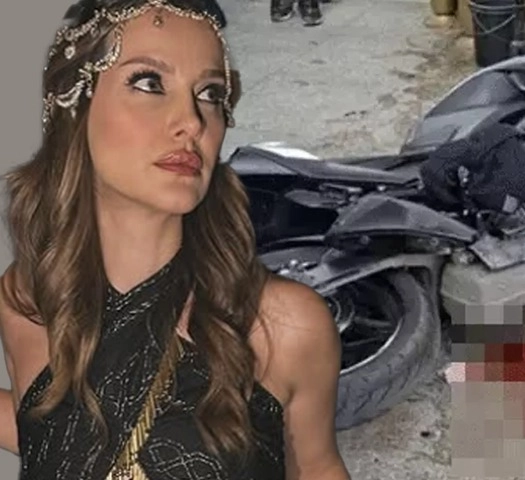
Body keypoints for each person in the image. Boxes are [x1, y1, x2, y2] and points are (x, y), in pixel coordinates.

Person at [0, 0, 351, 479]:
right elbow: (51, 435)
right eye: (149, 83)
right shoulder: (30, 299)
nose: (192, 121)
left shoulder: (283, 328)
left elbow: (316, 467)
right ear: (74, 103)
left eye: (210, 93)